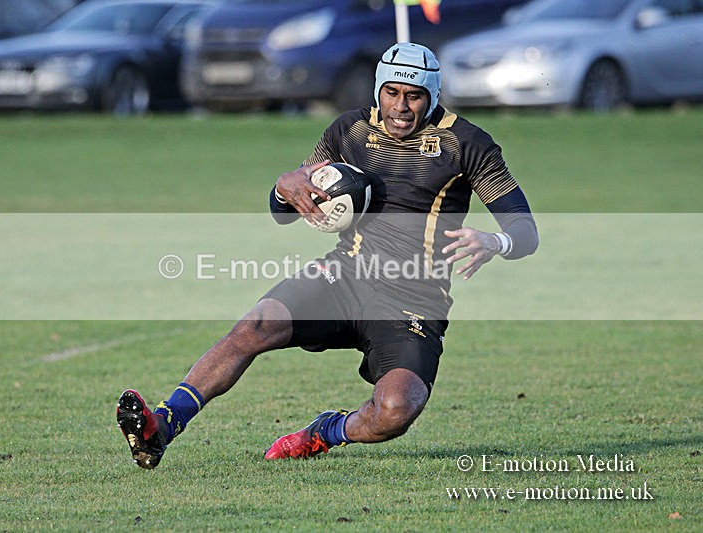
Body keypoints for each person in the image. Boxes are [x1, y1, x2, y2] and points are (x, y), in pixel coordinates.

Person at [116, 42, 539, 468]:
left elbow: (525, 231)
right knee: (256, 325)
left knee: (395, 411)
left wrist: (494, 242)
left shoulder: (466, 143)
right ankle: (162, 425)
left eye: (414, 96)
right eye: (392, 93)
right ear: (378, 91)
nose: (401, 107)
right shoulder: (349, 130)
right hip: (345, 275)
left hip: (414, 299)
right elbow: (283, 210)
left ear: (432, 96)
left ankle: (326, 431)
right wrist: (285, 183)